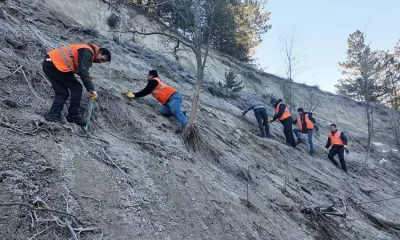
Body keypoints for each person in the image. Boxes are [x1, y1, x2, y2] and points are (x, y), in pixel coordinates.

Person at [43, 43, 111, 126]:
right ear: (100, 52)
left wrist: (86, 77)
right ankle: (73, 116)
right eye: (102, 59)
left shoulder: (85, 50)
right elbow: (83, 70)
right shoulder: (88, 51)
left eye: (102, 62)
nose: (100, 62)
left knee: (62, 93)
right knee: (77, 88)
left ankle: (52, 115)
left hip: (49, 63)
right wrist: (91, 89)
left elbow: (78, 67)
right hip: (56, 65)